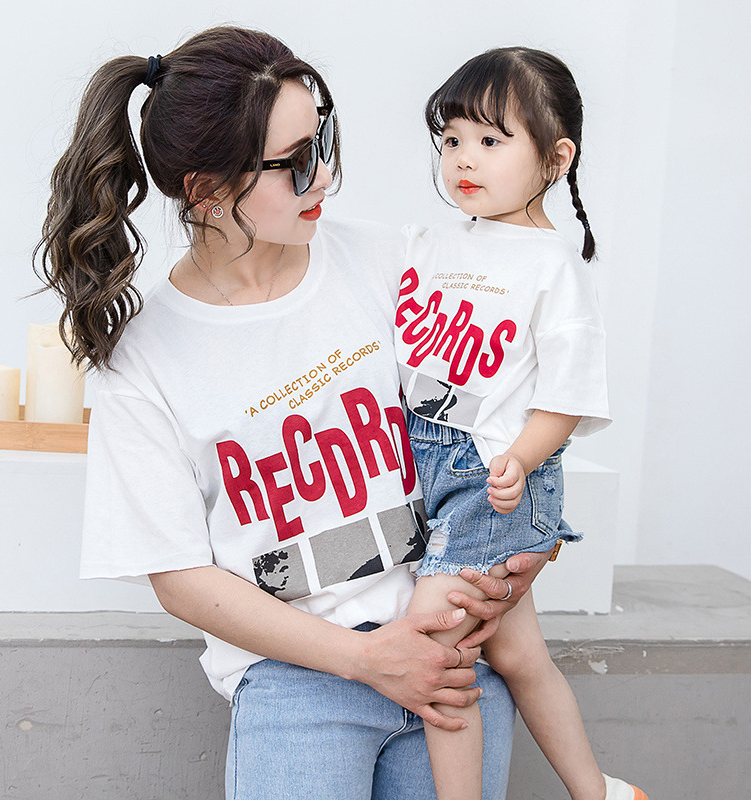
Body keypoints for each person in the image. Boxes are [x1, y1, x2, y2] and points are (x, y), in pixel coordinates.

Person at [33, 27, 553, 800]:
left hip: (453, 660)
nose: (327, 176)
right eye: (298, 162)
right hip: (298, 682)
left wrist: (529, 543)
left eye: (325, 139)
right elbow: (179, 576)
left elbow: (495, 415)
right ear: (205, 190)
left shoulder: (396, 262)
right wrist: (368, 660)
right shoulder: (144, 359)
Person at [395, 48, 648, 800]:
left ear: (555, 159)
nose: (463, 159)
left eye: (490, 140)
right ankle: (601, 792)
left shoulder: (552, 266)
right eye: (451, 139)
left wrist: (522, 459)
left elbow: (568, 395)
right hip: (428, 465)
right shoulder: (429, 243)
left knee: (438, 652)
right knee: (517, 654)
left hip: (494, 476)